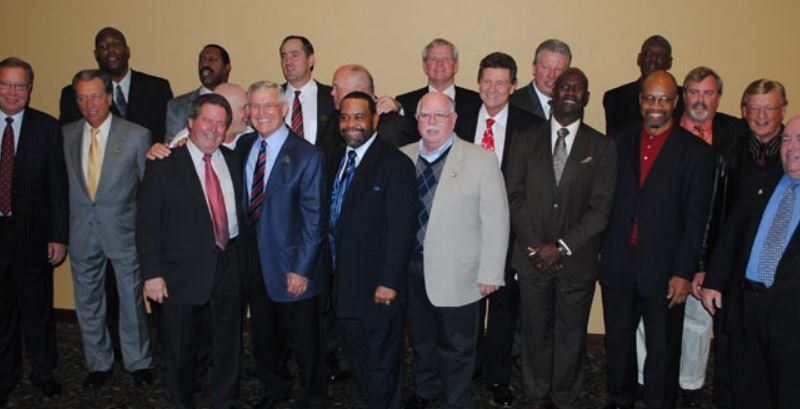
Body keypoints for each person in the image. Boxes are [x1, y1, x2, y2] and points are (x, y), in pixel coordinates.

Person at [598, 71, 713, 409]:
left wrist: (683, 272)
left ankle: (658, 401)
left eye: (664, 99)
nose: (656, 106)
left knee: (663, 345)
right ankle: (620, 397)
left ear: (676, 102)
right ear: (640, 100)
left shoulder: (696, 153)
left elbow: (696, 220)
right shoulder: (617, 141)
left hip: (666, 270)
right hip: (619, 262)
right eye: (650, 98)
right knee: (618, 340)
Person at [507, 68, 616, 409]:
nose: (570, 92)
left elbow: (601, 210)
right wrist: (538, 245)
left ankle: (565, 397)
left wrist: (561, 248)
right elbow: (513, 196)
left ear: (586, 96)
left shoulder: (602, 146)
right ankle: (536, 394)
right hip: (531, 254)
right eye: (564, 85)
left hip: (576, 259)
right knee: (535, 331)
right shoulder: (525, 140)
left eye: (578, 88)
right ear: (553, 93)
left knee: (571, 334)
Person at [401, 92, 509, 409]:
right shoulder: (401, 157)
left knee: (458, 347)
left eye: (440, 115)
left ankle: (455, 401)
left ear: (454, 119)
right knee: (421, 340)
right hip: (411, 268)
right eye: (425, 116)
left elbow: (496, 220)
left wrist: (491, 272)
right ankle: (426, 391)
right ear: (416, 119)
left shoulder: (480, 159)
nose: (432, 122)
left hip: (459, 272)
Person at [138, 93, 245, 409]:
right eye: (207, 120)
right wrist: (152, 274)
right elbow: (147, 225)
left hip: (229, 263)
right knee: (182, 347)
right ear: (190, 123)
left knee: (229, 341)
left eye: (221, 123)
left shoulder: (235, 161)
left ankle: (226, 399)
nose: (213, 129)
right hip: (180, 272)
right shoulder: (163, 164)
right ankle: (182, 401)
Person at [235, 81, 326, 409]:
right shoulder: (244, 147)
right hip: (254, 265)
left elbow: (314, 219)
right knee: (265, 338)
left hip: (293, 267)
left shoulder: (307, 155)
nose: (261, 114)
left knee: (306, 343)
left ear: (284, 109)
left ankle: (314, 398)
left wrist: (301, 269)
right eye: (254, 107)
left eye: (268, 106)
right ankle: (275, 392)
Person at [62, 69, 152, 389]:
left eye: (96, 96)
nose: (90, 104)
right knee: (87, 300)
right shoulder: (66, 135)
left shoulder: (137, 135)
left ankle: (138, 361)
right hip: (82, 231)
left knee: (130, 298)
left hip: (123, 231)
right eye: (83, 98)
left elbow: (147, 190)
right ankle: (98, 363)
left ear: (110, 97)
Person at [702, 114, 800, 409]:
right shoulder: (761, 183)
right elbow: (730, 236)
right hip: (745, 306)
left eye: (799, 140)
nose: (791, 147)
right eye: (786, 139)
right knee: (747, 390)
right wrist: (713, 281)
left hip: (791, 317)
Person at [327, 91, 417, 409]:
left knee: (382, 365)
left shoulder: (395, 164)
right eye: (345, 117)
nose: (351, 124)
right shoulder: (337, 159)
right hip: (345, 287)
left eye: (359, 117)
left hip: (378, 289)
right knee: (360, 361)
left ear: (375, 120)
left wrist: (389, 281)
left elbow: (401, 229)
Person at [464, 52, 542, 408]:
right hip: (463, 229)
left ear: (513, 86)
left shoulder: (530, 124)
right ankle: (467, 369)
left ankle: (498, 377)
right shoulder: (460, 117)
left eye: (501, 82)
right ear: (478, 83)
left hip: (510, 231)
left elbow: (534, 183)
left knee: (503, 308)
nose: (493, 89)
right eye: (487, 81)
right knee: (466, 305)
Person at [0, 57, 68, 405]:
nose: (12, 92)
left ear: (30, 89)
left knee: (37, 309)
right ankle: (5, 374)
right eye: (5, 84)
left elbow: (58, 186)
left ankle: (43, 372)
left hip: (33, 235)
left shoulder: (47, 127)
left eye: (19, 85)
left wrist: (58, 235)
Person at [59, 27, 173, 142]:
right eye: (103, 46)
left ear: (128, 51)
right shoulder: (73, 94)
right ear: (96, 55)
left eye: (116, 44)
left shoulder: (158, 88)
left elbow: (168, 135)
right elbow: (71, 139)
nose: (110, 50)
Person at [602, 35, 684, 134]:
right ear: (639, 59)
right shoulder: (616, 98)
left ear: (669, 62)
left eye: (660, 55)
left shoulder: (685, 98)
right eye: (648, 53)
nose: (653, 59)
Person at [396, 38, 481, 131]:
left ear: (456, 66)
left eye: (446, 59)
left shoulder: (476, 102)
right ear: (425, 67)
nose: (439, 63)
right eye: (433, 59)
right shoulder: (404, 104)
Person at [165, 44, 231, 142]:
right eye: (202, 60)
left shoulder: (243, 104)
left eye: (212, 60)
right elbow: (171, 149)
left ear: (227, 67)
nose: (205, 64)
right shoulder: (177, 106)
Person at [279, 35, 335, 144]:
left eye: (295, 55)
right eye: (284, 56)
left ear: (310, 60)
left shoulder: (331, 97)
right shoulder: (273, 97)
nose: (288, 62)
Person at [509, 39, 571, 120]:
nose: (551, 75)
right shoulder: (512, 104)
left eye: (558, 69)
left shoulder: (571, 105)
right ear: (534, 68)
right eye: (545, 68)